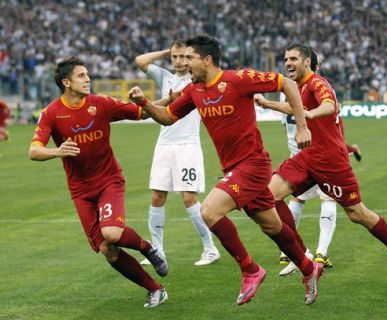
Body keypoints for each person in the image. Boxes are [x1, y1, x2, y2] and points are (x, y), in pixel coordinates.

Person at [128, 34, 324, 305]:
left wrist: (302, 125)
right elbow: (167, 117)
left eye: (189, 58)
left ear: (206, 60)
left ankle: (250, 269)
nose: (185, 64)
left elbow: (286, 83)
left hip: (253, 164)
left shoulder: (237, 79)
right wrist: (144, 103)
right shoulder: (193, 91)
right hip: (234, 167)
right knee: (272, 226)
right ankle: (308, 268)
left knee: (209, 210)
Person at [259, 43, 387, 287]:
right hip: (306, 157)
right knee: (267, 197)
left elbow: (329, 105)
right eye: (285, 58)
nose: (287, 62)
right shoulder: (298, 87)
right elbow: (294, 108)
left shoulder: (318, 83)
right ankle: (304, 254)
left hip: (331, 162)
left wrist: (310, 115)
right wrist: (267, 104)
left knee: (358, 214)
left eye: (293, 58)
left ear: (306, 62)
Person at [29, 57, 168, 308]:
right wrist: (57, 151)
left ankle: (148, 248)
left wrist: (167, 99)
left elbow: (140, 113)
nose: (88, 79)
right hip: (81, 191)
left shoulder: (100, 103)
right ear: (66, 82)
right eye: (81, 75)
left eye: (87, 74)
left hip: (108, 180)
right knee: (107, 249)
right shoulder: (51, 113)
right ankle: (155, 289)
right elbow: (34, 150)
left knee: (112, 233)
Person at [135, 40, 220, 267]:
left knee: (189, 198)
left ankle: (210, 248)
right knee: (157, 197)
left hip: (188, 146)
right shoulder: (165, 77)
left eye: (184, 56)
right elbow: (140, 61)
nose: (180, 61)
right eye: (175, 57)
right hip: (164, 145)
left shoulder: (197, 78)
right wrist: (166, 50)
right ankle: (158, 251)